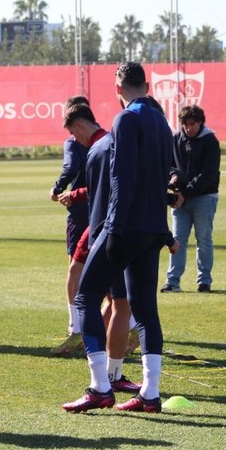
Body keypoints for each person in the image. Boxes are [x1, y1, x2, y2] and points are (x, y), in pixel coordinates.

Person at [62, 62, 172, 414]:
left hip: (124, 227)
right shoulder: (161, 118)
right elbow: (165, 177)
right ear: (147, 83)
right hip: (154, 227)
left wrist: (114, 228)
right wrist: (165, 229)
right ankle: (150, 394)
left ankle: (100, 387)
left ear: (118, 87)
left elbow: (120, 179)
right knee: (145, 310)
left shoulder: (125, 118)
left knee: (85, 299)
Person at [58, 104, 145, 393]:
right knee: (118, 303)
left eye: (73, 134)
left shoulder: (98, 149)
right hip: (123, 231)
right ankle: (112, 373)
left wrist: (92, 237)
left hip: (106, 233)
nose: (75, 140)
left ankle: (101, 381)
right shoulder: (113, 144)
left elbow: (101, 196)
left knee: (91, 300)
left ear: (81, 126)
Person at [161, 104, 221, 293]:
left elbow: (208, 175)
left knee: (203, 239)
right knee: (177, 239)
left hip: (204, 197)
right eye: (185, 124)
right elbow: (169, 164)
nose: (188, 128)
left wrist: (184, 193)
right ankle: (173, 281)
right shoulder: (176, 139)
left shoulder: (210, 141)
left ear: (200, 122)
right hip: (180, 198)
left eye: (192, 124)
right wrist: (173, 177)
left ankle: (204, 281)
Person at [49, 95, 91, 356]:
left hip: (80, 210)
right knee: (106, 267)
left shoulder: (74, 143)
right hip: (101, 210)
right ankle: (128, 324)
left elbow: (70, 167)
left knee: (74, 268)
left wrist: (57, 189)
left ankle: (75, 326)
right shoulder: (107, 139)